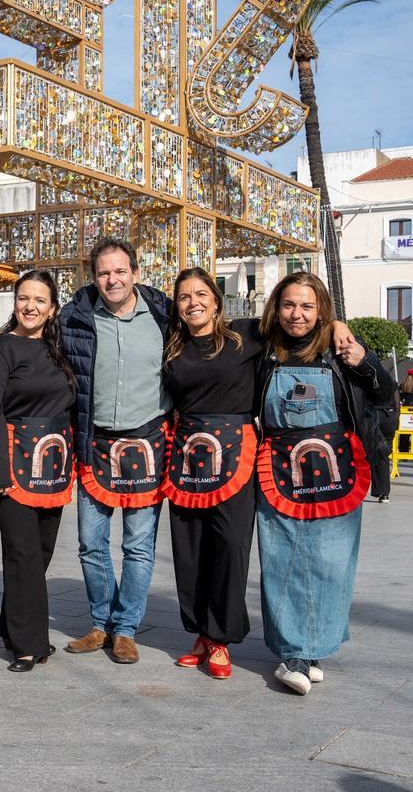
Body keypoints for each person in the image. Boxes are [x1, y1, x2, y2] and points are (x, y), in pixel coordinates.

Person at [255, 272, 395, 695]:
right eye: (289, 305)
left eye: (307, 306)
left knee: (332, 563)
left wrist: (364, 359)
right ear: (276, 308)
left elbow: (384, 390)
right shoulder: (263, 352)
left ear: (322, 312)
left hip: (337, 469)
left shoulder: (341, 352)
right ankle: (294, 652)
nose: (296, 314)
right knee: (282, 560)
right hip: (280, 469)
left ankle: (313, 648)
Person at [59, 237, 171, 664]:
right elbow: (40, 343)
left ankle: (125, 630)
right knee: (91, 542)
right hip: (96, 443)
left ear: (136, 273)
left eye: (120, 270)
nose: (112, 279)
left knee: (139, 546)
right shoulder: (75, 318)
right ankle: (99, 623)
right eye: (104, 272)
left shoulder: (163, 315)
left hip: (148, 440)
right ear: (94, 277)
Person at [160, 268, 263, 679]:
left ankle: (221, 638)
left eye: (201, 294)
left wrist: (340, 324)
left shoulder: (246, 335)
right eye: (184, 297)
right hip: (187, 452)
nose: (193, 303)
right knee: (190, 548)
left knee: (232, 545)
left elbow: (297, 321)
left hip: (237, 453)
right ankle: (200, 633)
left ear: (217, 300)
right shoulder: (171, 348)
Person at [0, 270, 76, 673]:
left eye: (40, 301)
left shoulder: (60, 349)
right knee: (23, 552)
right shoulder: (0, 351)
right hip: (13, 466)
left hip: (53, 466)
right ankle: (29, 645)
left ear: (52, 310)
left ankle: (11, 626)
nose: (30, 307)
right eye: (23, 298)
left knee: (41, 552)